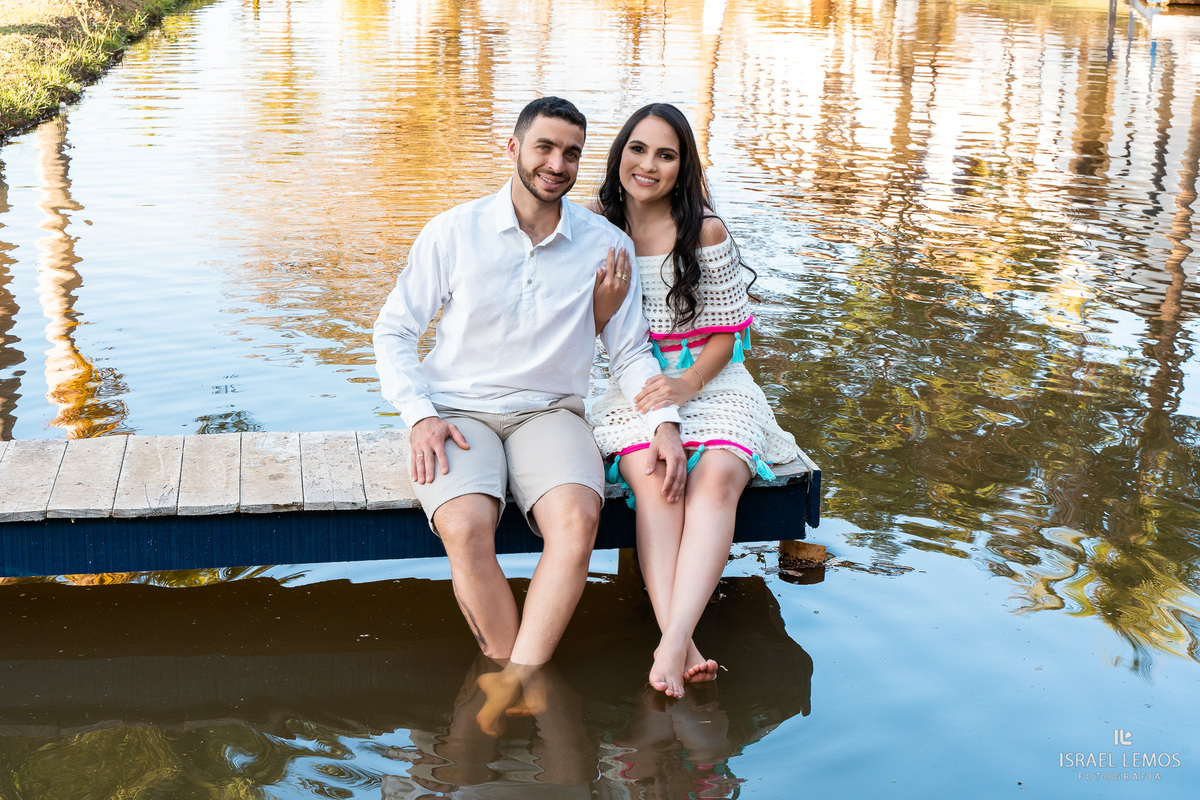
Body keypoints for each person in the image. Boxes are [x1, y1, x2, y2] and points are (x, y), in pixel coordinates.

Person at [373, 97, 687, 724]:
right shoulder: (453, 232)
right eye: (545, 147)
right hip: (457, 410)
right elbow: (393, 331)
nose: (557, 163)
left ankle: (512, 680)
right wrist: (419, 414)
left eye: (572, 152)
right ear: (513, 148)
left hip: (550, 413)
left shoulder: (605, 244)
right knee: (464, 527)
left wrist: (665, 426)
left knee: (576, 519)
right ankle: (518, 677)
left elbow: (628, 354)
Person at [589, 103, 801, 699]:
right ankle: (682, 644)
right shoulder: (595, 226)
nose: (648, 165)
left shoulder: (704, 230)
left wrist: (687, 385)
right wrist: (606, 313)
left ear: (683, 167)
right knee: (658, 480)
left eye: (665, 154)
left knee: (715, 480)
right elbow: (590, 334)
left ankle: (671, 642)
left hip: (712, 380)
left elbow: (729, 335)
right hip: (636, 384)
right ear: (620, 153)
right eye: (638, 149)